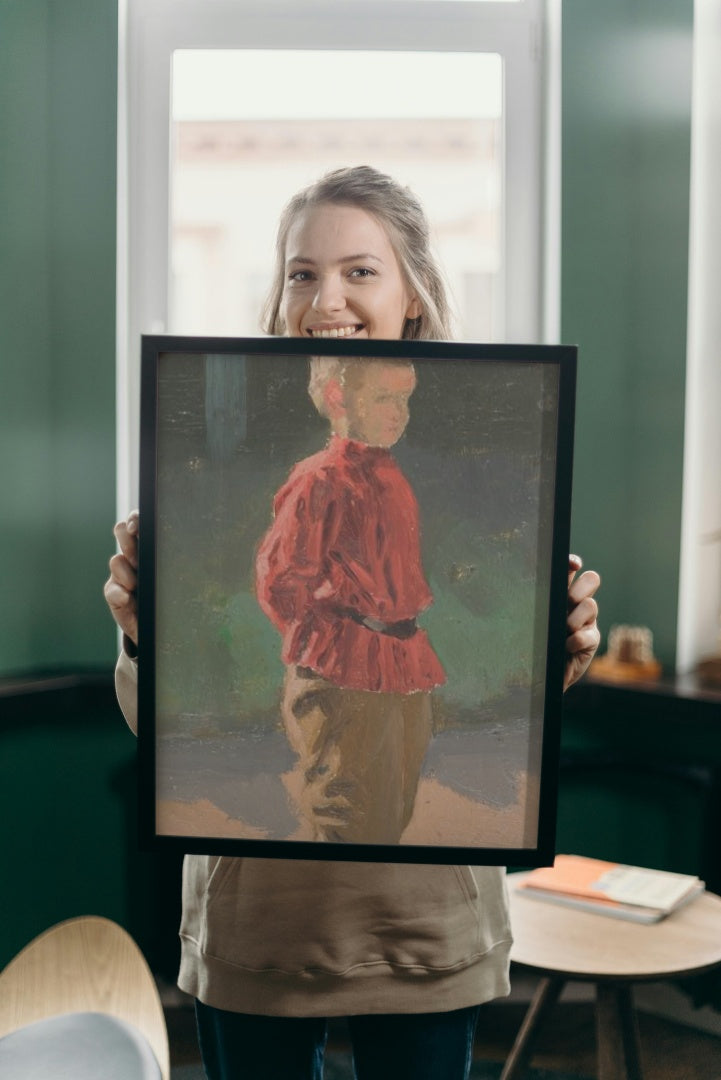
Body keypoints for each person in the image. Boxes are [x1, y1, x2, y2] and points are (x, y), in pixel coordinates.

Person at [105, 166, 601, 1080]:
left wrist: (556, 650)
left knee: (390, 785)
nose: (325, 296)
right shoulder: (313, 478)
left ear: (412, 292)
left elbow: (509, 706)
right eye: (302, 272)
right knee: (339, 787)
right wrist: (149, 636)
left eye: (359, 271)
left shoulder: (436, 458)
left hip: (423, 928)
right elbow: (238, 637)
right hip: (262, 926)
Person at [255, 355, 444, 844]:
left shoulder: (391, 476)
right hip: (342, 668)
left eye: (404, 398)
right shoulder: (318, 479)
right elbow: (280, 581)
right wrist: (330, 640)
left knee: (393, 812)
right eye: (384, 397)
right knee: (349, 815)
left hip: (401, 662)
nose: (399, 411)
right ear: (339, 398)